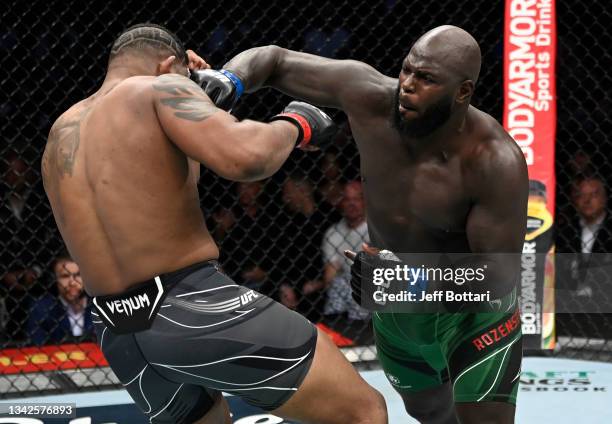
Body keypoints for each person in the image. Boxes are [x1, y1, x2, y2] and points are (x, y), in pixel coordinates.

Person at [42, 24, 386, 424]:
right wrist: (298, 122)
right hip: (188, 307)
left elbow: (144, 183)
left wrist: (202, 101)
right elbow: (246, 157)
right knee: (364, 410)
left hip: (118, 333)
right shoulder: (160, 89)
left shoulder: (59, 134)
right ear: (168, 64)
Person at [205, 25, 528, 423]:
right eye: (408, 70)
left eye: (426, 79)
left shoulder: (494, 160)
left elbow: (500, 273)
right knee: (427, 411)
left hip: (471, 312)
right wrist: (229, 79)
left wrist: (412, 281)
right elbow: (275, 59)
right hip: (398, 310)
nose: (407, 85)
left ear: (462, 92)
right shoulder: (372, 97)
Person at [27, 253, 94, 345]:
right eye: (65, 276)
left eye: (78, 275)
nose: (72, 282)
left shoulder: (100, 305)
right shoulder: (42, 309)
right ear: (55, 280)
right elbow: (37, 346)